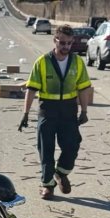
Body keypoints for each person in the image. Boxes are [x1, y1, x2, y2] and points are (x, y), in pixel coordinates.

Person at [20, 24, 92, 200]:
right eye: (62, 43)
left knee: (72, 145)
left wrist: (84, 111)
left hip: (68, 111)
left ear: (72, 42)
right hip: (48, 111)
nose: (65, 47)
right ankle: (47, 185)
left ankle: (61, 173)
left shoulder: (77, 62)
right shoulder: (42, 62)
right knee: (46, 150)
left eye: (68, 43)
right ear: (55, 41)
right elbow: (31, 90)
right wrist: (25, 114)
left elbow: (83, 88)